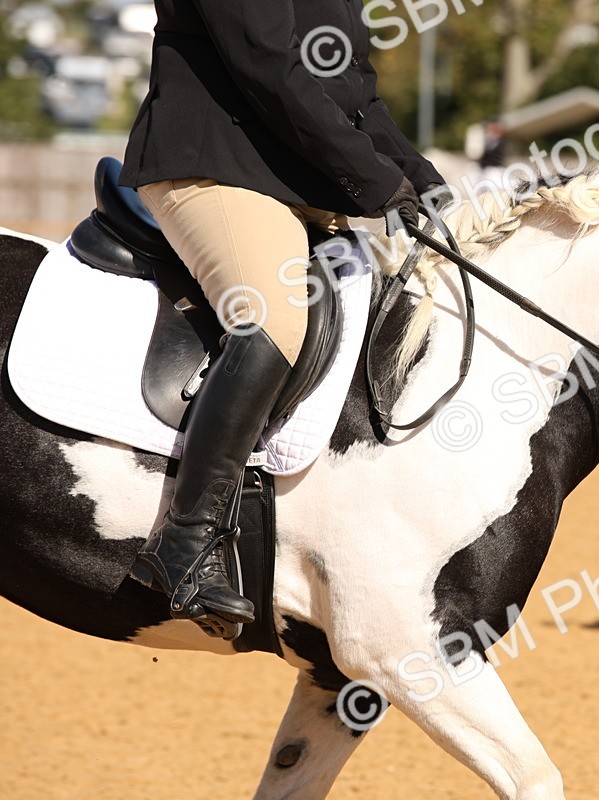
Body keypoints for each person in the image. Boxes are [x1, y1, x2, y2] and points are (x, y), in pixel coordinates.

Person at [120, 0, 444, 637]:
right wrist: (372, 178)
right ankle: (185, 540)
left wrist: (421, 178)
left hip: (297, 182)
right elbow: (267, 64)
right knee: (272, 318)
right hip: (216, 166)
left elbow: (356, 93)